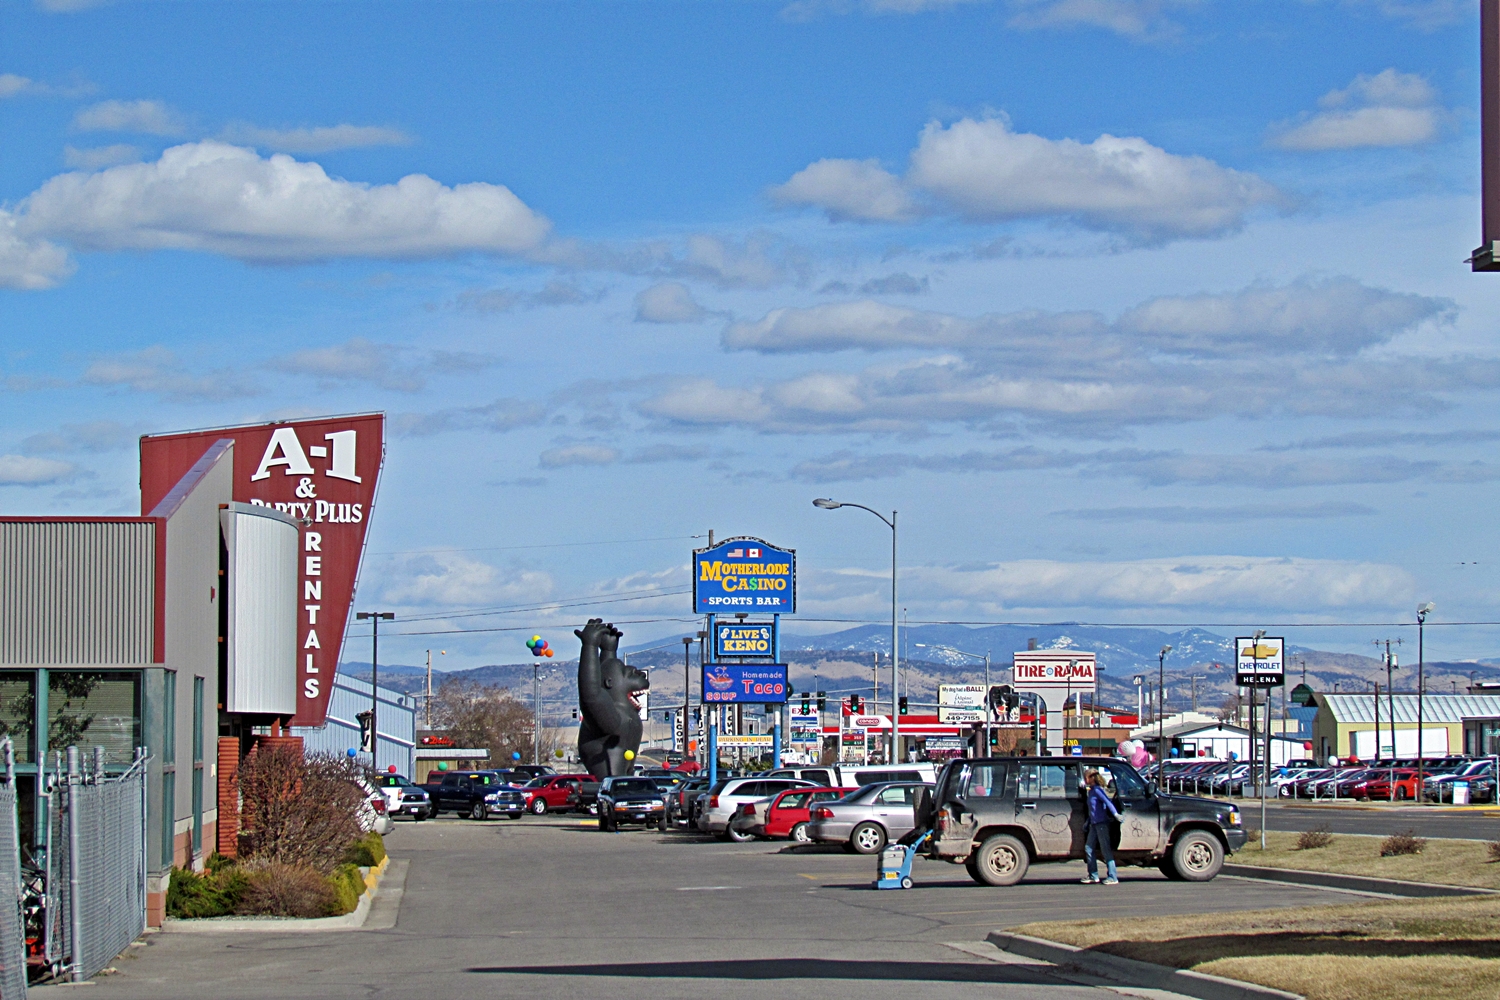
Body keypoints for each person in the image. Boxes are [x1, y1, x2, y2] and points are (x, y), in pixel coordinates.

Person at [1081, 768, 1119, 885]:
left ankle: (1113, 877)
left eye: (1086, 776)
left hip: (1102, 824)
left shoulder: (1098, 790)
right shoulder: (1091, 791)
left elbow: (1108, 802)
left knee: (1105, 850)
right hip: (1094, 824)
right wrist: (1087, 823)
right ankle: (1093, 875)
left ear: (1092, 778)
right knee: (1088, 848)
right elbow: (1092, 810)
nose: (1085, 779)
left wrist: (1116, 814)